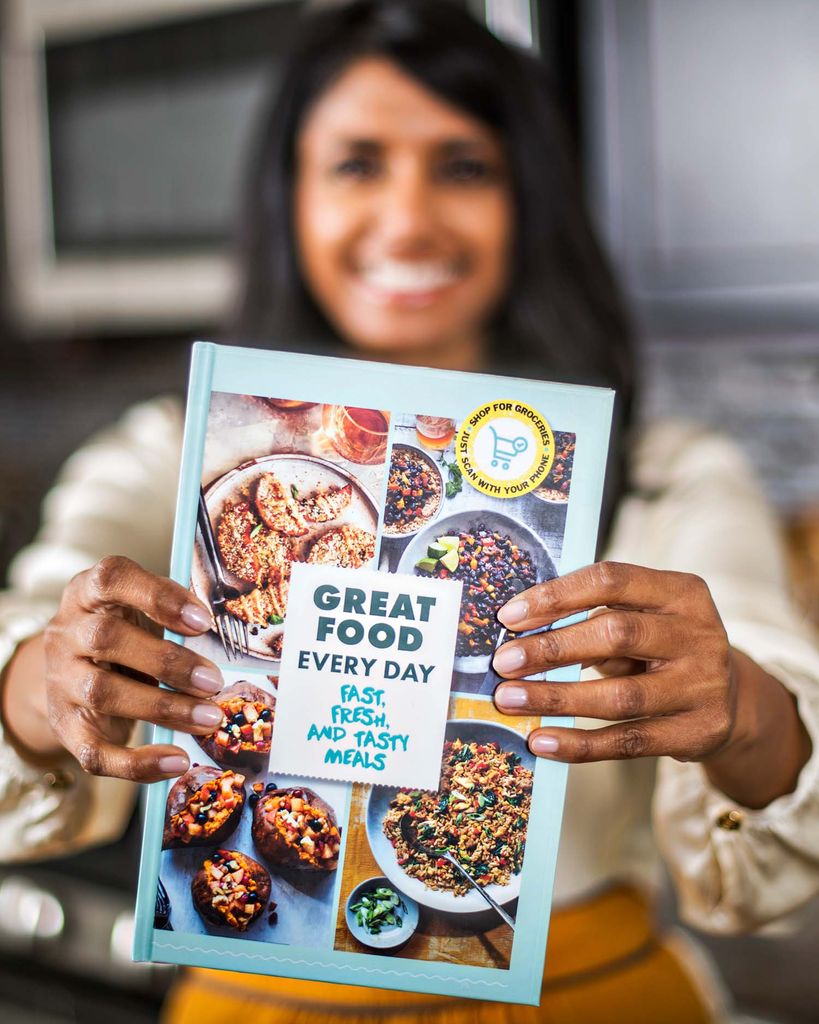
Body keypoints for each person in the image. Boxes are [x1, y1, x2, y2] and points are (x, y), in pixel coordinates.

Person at [2, 1, 819, 1020]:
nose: (407, 219)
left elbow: (789, 755)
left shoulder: (663, 472)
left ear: (531, 202)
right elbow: (30, 640)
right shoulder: (177, 458)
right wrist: (46, 680)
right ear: (288, 196)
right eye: (357, 163)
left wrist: (736, 707)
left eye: (463, 165)